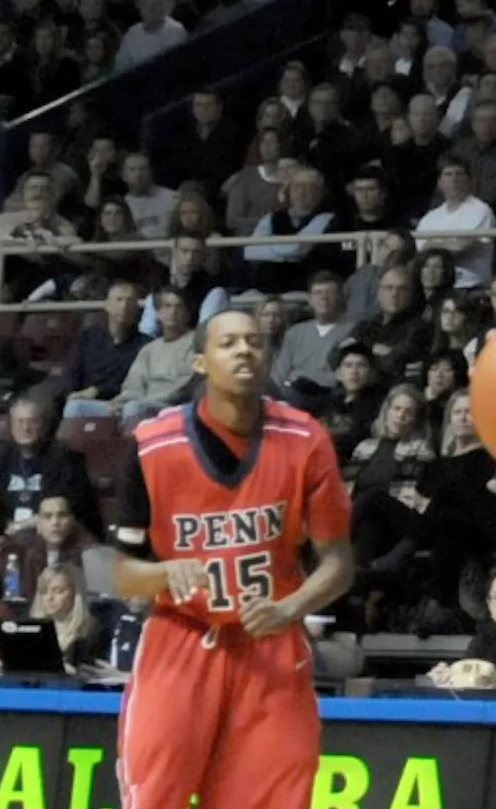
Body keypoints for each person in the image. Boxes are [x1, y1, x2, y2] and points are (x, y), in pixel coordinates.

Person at [105, 310, 354, 809]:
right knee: (155, 797)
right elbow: (117, 575)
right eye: (229, 343)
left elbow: (339, 563)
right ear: (199, 361)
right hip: (181, 637)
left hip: (270, 642)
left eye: (255, 342)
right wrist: (162, 572)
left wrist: (291, 608)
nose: (244, 350)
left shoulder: (306, 439)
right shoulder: (153, 445)